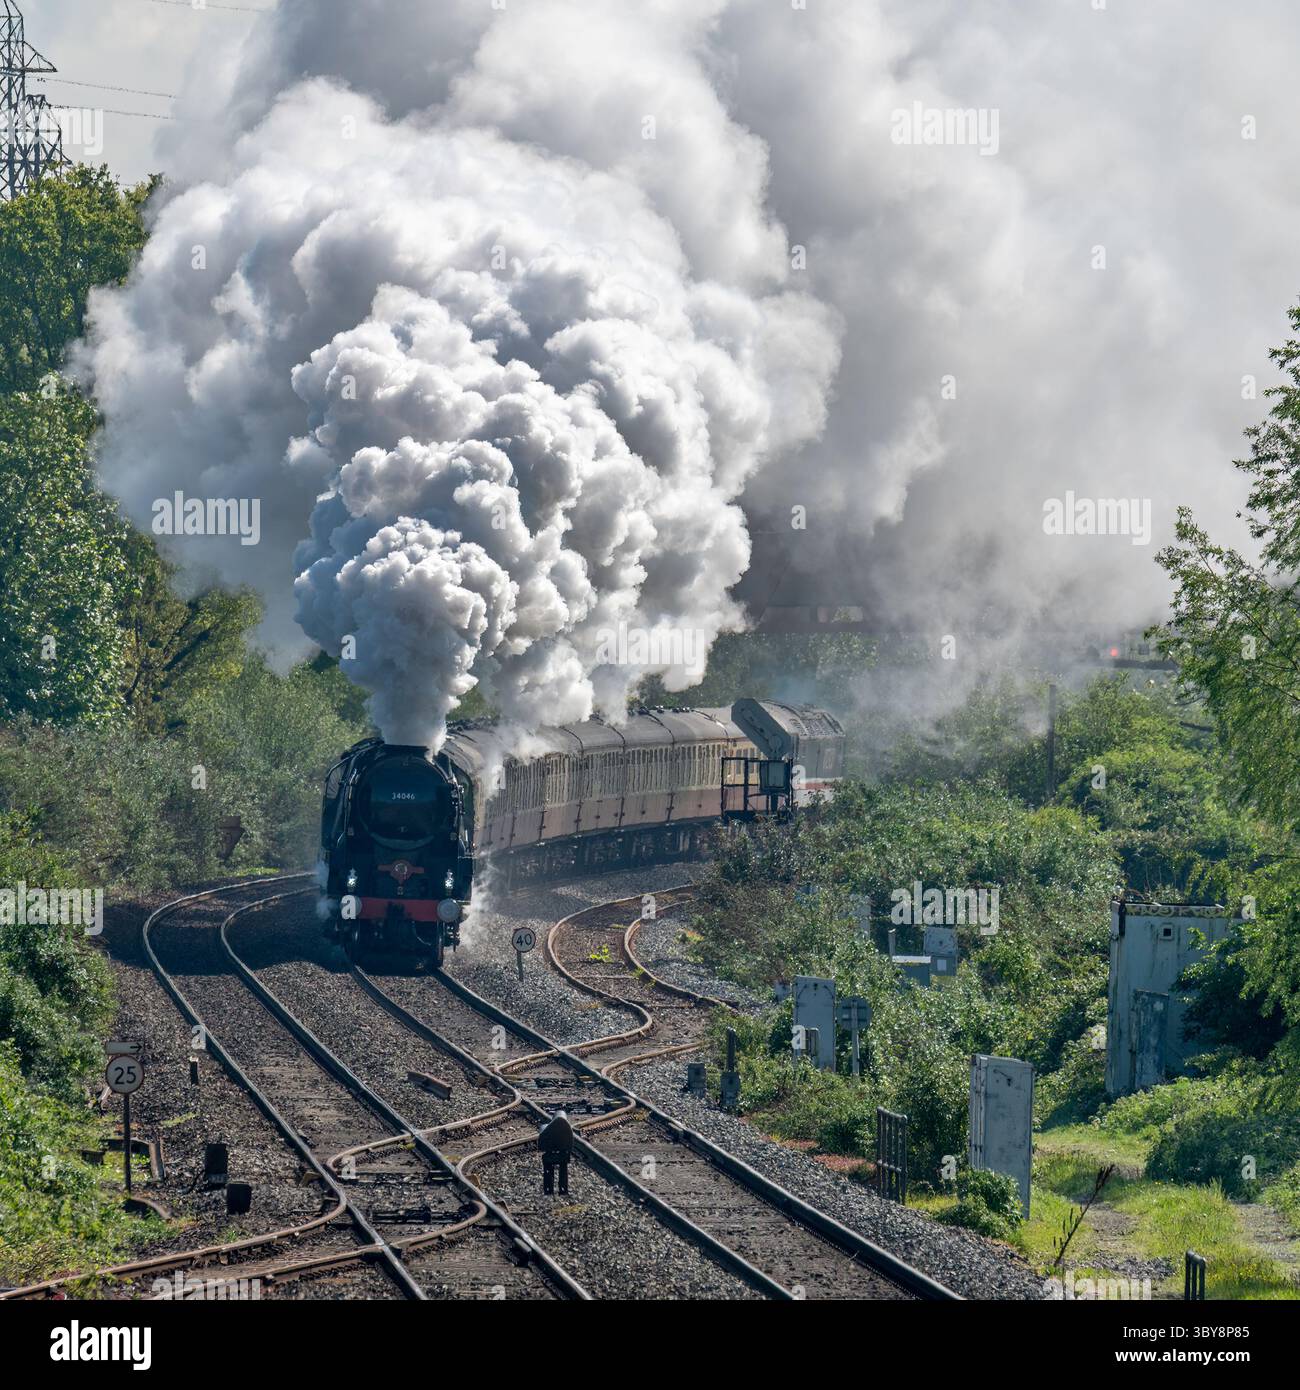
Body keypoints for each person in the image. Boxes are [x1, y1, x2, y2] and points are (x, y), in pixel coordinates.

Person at [537, 1111, 573, 1195]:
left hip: (548, 1154)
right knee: (563, 1170)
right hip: (563, 1154)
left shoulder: (546, 1130)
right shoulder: (566, 1129)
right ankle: (563, 1190)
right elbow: (570, 1145)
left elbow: (541, 1145)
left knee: (548, 1171)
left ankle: (548, 1190)